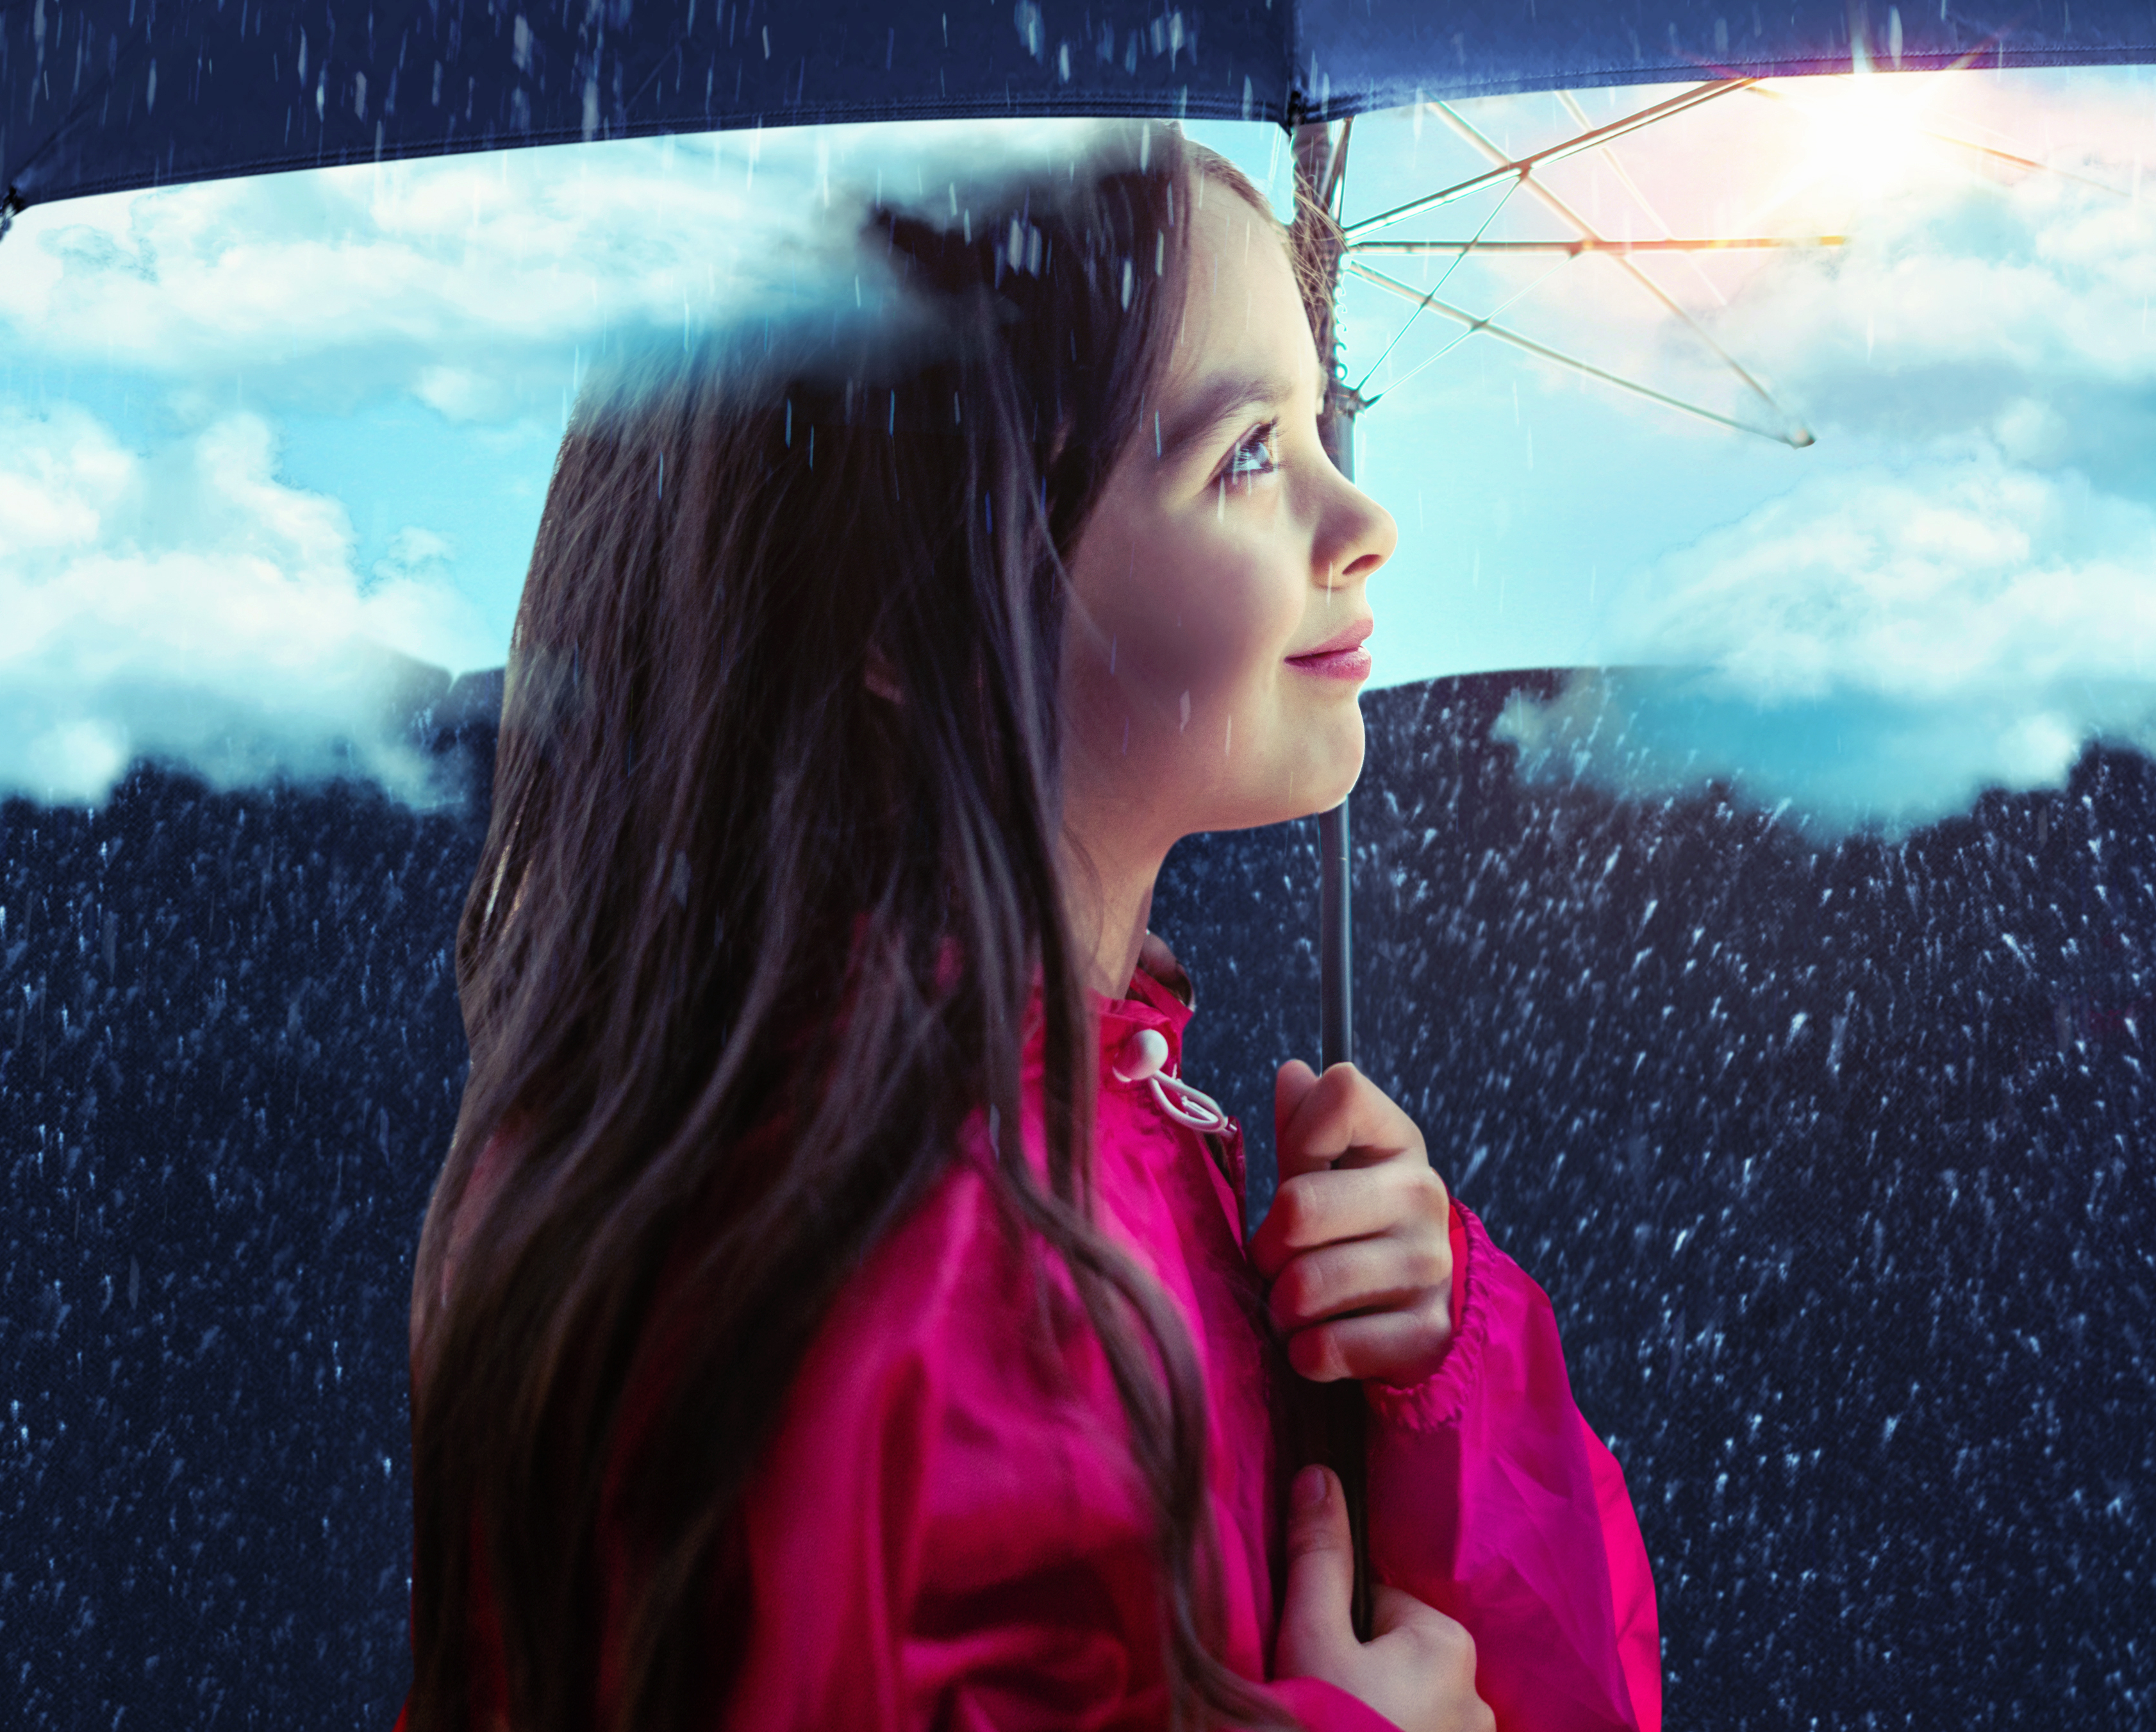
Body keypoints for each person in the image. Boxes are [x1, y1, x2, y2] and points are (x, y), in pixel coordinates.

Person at [399, 126, 1662, 1731]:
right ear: (911, 606)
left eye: (1324, 423)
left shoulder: (1104, 1127)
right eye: (1249, 455)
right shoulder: (863, 1256)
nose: (1367, 520)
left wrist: (1426, 1384)